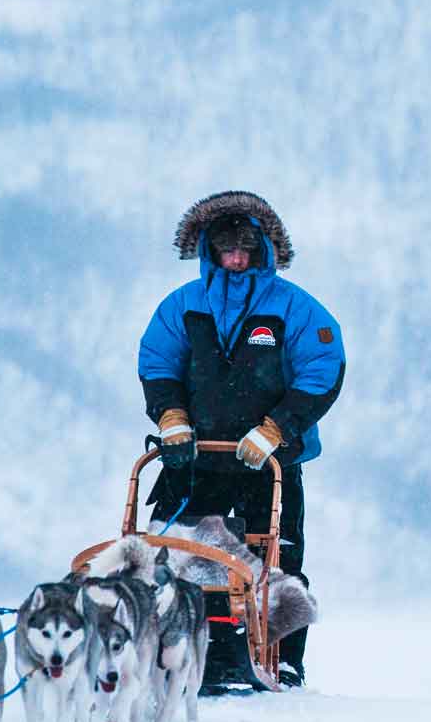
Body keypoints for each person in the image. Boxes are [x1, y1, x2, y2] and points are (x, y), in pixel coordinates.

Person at [137, 190, 345, 688]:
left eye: (245, 248)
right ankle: (183, 648)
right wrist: (170, 418)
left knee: (278, 554)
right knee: (176, 551)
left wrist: (276, 429)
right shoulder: (183, 307)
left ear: (263, 251)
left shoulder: (295, 309)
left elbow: (322, 368)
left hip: (267, 458)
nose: (235, 257)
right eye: (226, 248)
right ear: (208, 250)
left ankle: (283, 657)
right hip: (195, 456)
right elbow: (158, 362)